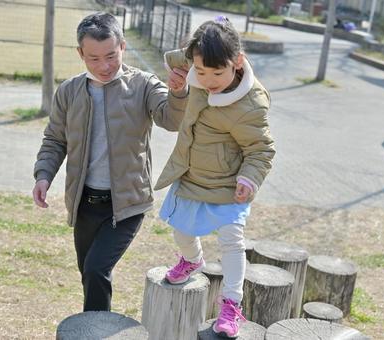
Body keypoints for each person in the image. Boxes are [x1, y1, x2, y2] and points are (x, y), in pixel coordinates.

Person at [32, 12, 189, 312]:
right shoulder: (68, 92)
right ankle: (97, 323)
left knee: (95, 270)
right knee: (89, 274)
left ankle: (93, 330)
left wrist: (179, 92)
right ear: (80, 53)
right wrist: (43, 175)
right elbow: (54, 140)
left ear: (123, 47)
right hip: (84, 205)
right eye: (93, 58)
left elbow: (172, 118)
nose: (103, 66)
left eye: (111, 56)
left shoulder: (143, 84)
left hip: (127, 205)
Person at [154, 16, 275, 338]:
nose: (207, 80)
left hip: (228, 185)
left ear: (238, 62)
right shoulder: (198, 64)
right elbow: (172, 59)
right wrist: (183, 70)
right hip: (191, 176)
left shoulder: (250, 104)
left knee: (232, 243)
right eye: (201, 71)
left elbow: (261, 150)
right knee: (181, 232)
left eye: (217, 73)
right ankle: (192, 260)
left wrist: (248, 180)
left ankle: (231, 304)